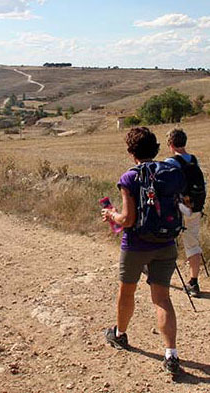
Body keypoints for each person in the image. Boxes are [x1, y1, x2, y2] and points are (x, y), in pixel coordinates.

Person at [102, 127, 181, 375]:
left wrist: (110, 214)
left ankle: (120, 334)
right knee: (162, 298)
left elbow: (127, 219)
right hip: (166, 244)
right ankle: (171, 354)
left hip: (135, 245)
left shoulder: (129, 178)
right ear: (156, 149)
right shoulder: (169, 172)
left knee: (127, 292)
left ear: (131, 152)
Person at [165, 128, 205, 298]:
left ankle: (157, 273)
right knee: (192, 245)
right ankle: (194, 282)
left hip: (178, 208)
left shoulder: (170, 162)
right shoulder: (193, 160)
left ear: (171, 144)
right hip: (194, 209)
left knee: (165, 240)